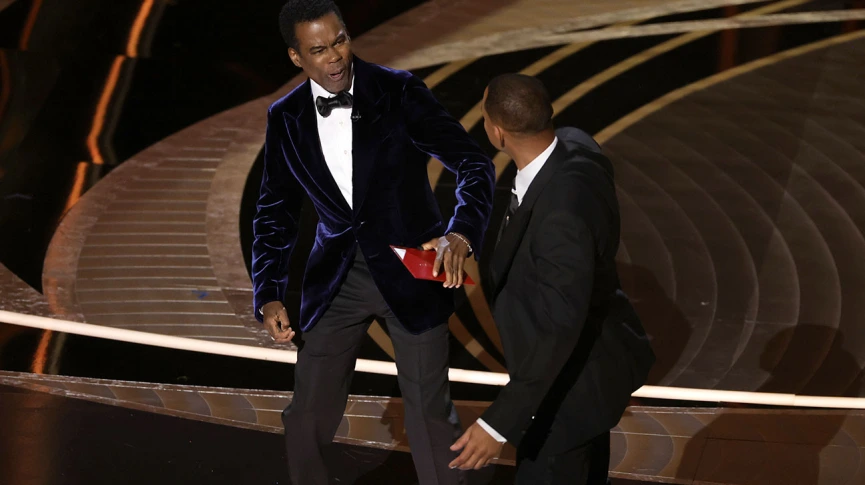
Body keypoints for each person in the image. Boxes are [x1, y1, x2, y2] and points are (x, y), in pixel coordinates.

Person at [251, 1, 495, 484]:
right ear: (297, 58)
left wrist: (462, 231)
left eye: (340, 40)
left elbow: (474, 164)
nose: (336, 57)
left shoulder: (398, 91)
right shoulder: (286, 116)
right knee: (307, 415)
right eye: (319, 50)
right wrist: (269, 291)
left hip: (411, 271)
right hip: (337, 279)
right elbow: (275, 208)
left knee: (428, 417)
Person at [449, 74, 655, 484]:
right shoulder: (579, 146)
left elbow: (559, 329)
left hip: (567, 397)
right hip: (596, 375)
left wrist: (498, 424)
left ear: (497, 133)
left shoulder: (560, 218)